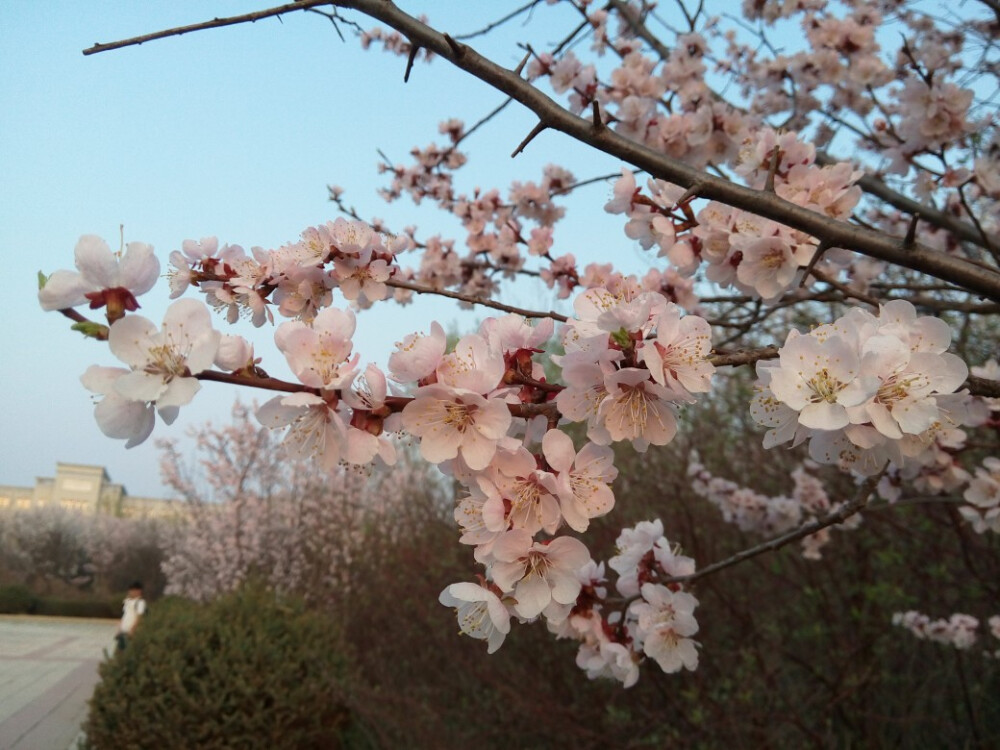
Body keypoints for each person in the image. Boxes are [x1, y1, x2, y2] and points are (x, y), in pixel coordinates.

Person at [115, 581, 146, 652]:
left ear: (138, 591)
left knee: (128, 651)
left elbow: (139, 617)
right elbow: (124, 615)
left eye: (133, 590)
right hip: (122, 631)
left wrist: (133, 629)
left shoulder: (140, 602)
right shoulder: (127, 601)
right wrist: (119, 629)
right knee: (120, 652)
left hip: (130, 633)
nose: (130, 592)